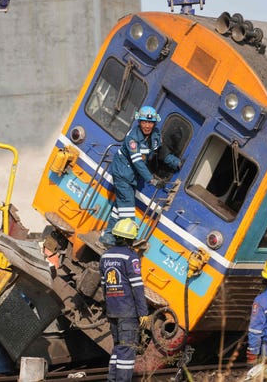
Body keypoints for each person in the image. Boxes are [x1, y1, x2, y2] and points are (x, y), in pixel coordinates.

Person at [99, 105, 181, 246]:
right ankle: (125, 242)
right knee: (127, 207)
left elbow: (161, 152)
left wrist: (176, 163)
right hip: (122, 172)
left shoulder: (155, 135)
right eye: (144, 122)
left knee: (120, 206)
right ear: (139, 122)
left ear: (154, 123)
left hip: (132, 176)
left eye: (150, 122)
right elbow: (137, 162)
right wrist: (152, 180)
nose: (147, 125)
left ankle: (108, 235)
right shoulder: (132, 138)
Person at [99, 218, 150, 382]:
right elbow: (137, 287)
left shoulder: (105, 256)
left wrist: (109, 307)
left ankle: (111, 380)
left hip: (113, 310)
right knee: (127, 351)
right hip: (127, 312)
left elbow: (104, 286)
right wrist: (143, 313)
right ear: (131, 239)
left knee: (117, 349)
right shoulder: (130, 257)